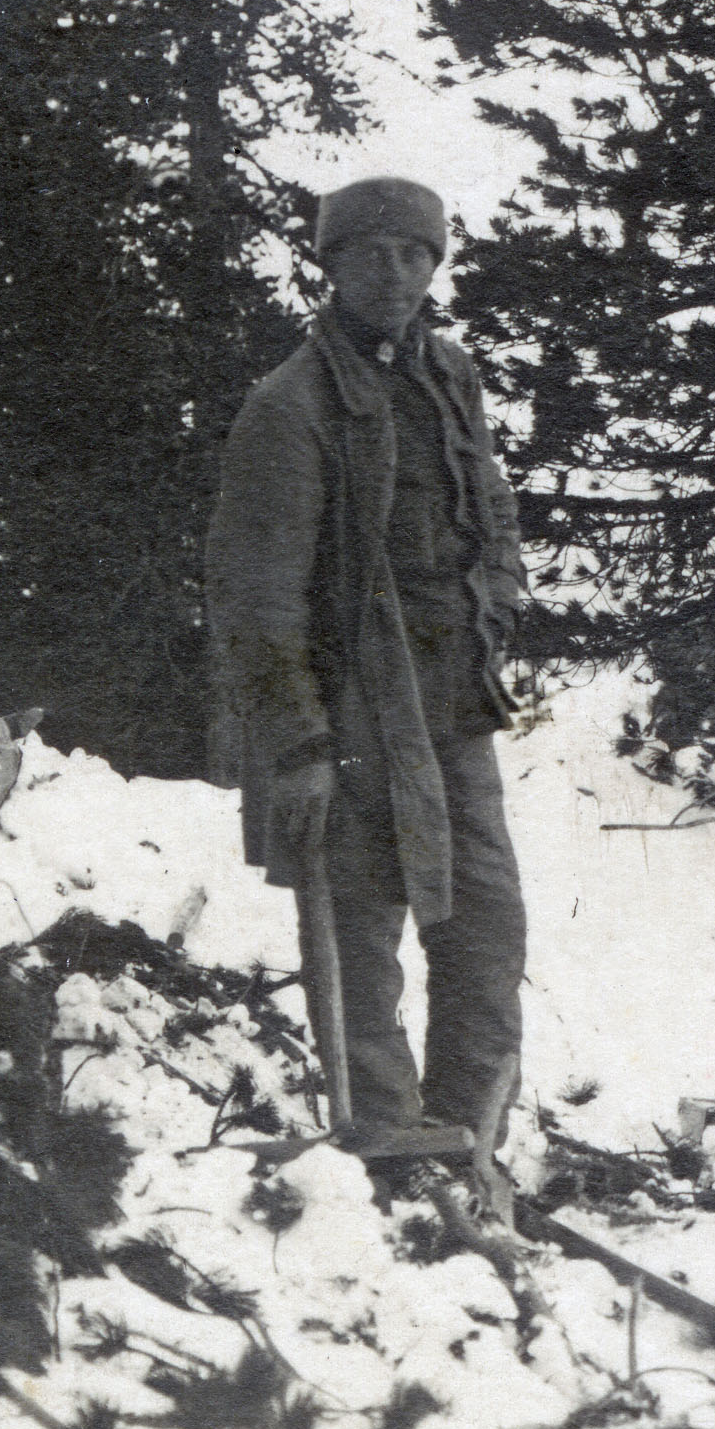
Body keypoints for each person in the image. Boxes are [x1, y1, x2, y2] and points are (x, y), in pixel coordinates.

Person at [206, 176, 528, 1155]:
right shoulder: (290, 407)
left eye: (413, 253)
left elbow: (494, 513)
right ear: (331, 266)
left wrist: (500, 608)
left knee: (485, 928)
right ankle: (387, 1146)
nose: (393, 273)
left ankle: (467, 1145)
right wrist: (300, 742)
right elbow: (253, 600)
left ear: (435, 265)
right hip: (347, 719)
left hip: (450, 712)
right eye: (370, 253)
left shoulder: (449, 374)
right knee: (359, 939)